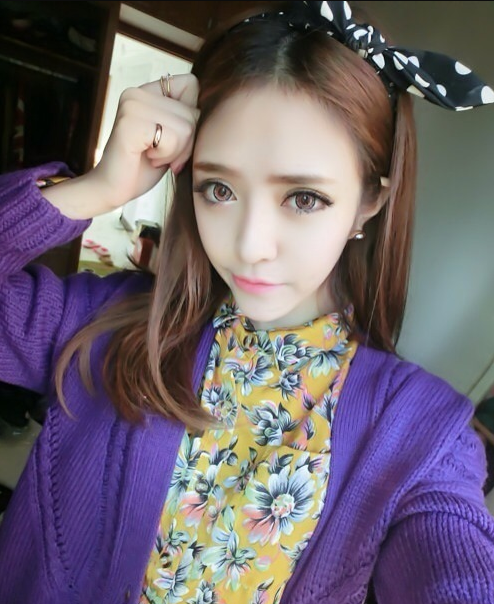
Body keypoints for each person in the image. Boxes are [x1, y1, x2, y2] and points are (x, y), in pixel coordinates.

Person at [0, 1, 493, 602]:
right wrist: (95, 189)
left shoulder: (421, 435)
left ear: (369, 203)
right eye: (218, 188)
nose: (250, 246)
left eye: (304, 198)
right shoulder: (101, 327)